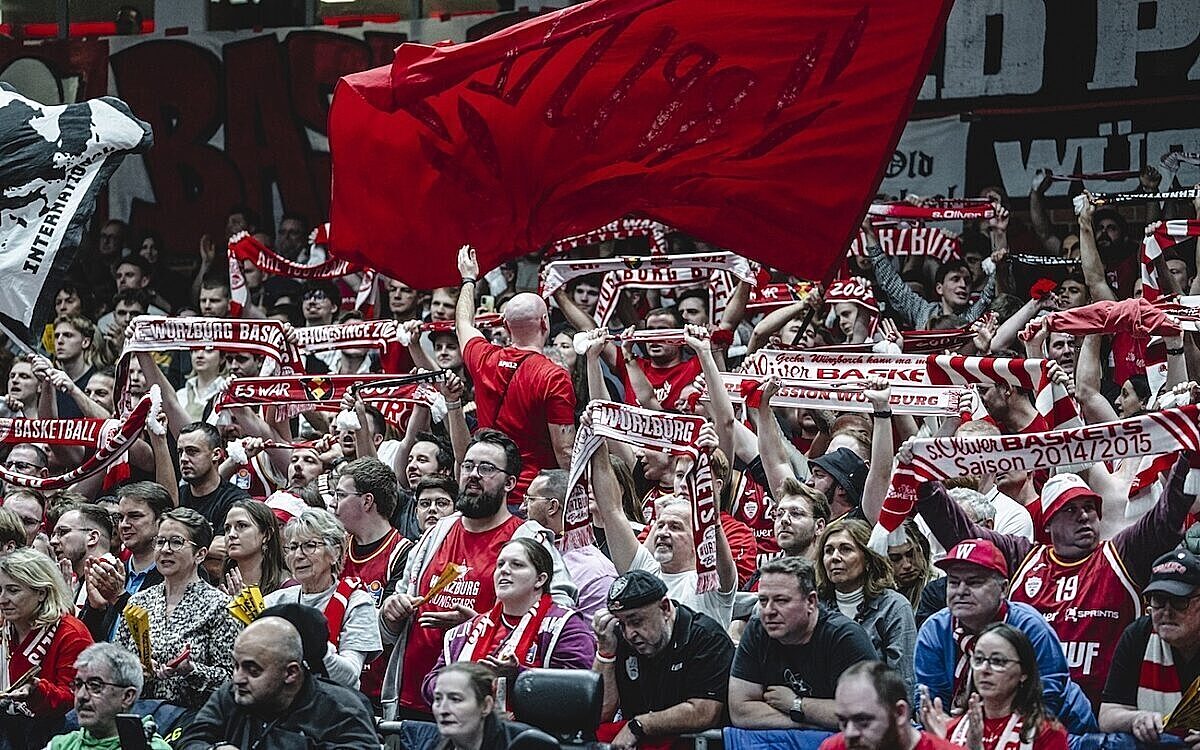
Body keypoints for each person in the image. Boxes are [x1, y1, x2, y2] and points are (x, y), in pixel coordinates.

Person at [917, 458, 1193, 707]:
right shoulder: (1022, 557)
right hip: (1031, 714)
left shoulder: (1122, 553)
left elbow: (1166, 517)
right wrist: (922, 478)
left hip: (1107, 713)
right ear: (1047, 522)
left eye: (1089, 508)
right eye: (1070, 509)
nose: (1083, 516)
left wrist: (1189, 458)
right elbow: (960, 533)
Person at [378, 429, 573, 720]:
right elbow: (394, 618)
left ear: (510, 483)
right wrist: (391, 613)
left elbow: (556, 620)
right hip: (414, 698)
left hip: (482, 709)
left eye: (486, 469)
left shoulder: (529, 539)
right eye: (468, 466)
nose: (473, 475)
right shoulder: (437, 532)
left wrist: (479, 628)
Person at [913, 539, 1096, 736]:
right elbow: (932, 702)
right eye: (954, 582)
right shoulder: (934, 630)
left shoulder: (1029, 626)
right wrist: (957, 734)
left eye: (974, 582)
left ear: (1004, 589)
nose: (961, 591)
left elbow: (1048, 697)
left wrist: (988, 735)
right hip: (963, 731)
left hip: (1057, 726)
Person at [456, 245, 576, 497]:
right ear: (545, 322)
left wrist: (468, 279)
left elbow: (462, 324)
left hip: (488, 491)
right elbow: (565, 452)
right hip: (533, 497)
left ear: (505, 324)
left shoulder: (484, 358)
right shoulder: (553, 376)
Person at [423, 538, 595, 703]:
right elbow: (430, 684)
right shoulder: (468, 630)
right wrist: (462, 683)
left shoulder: (566, 626)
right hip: (468, 722)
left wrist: (519, 675)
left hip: (532, 724)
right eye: (500, 564)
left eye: (517, 564)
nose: (504, 570)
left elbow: (577, 691)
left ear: (540, 579)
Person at [177, 617, 379, 750]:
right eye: (236, 666)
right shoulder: (230, 694)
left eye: (253, 670)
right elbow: (189, 740)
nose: (238, 678)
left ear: (291, 673)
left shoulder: (341, 711)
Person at [729, 556, 877, 731]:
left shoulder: (844, 637)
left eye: (781, 600)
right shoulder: (757, 629)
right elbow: (740, 711)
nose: (768, 611)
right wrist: (809, 721)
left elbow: (864, 713)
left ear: (811, 602)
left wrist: (796, 704)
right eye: (763, 601)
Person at [115, 508, 241, 711]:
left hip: (193, 717)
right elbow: (116, 663)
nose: (165, 549)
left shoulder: (219, 606)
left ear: (200, 554)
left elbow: (233, 680)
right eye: (160, 542)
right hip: (139, 713)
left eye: (176, 542)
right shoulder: (138, 601)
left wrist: (191, 670)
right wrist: (135, 669)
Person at [592, 570, 734, 748]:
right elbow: (598, 713)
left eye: (636, 621)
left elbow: (704, 712)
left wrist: (640, 725)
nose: (629, 634)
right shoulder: (618, 638)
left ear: (665, 608)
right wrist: (605, 652)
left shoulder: (706, 638)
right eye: (621, 624)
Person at [263, 509, 382, 690]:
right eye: (293, 547)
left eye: (309, 545)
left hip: (333, 702)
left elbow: (350, 676)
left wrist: (317, 646)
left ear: (335, 553)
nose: (298, 555)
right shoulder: (275, 602)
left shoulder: (357, 602)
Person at [1099, 548, 1200, 745]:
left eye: (1180, 601)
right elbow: (1107, 715)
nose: (1167, 612)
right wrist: (1135, 718)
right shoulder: (1138, 635)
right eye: (1159, 600)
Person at [0, 549, 93, 750]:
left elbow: (78, 700)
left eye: (13, 590)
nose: (2, 599)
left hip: (54, 736)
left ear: (41, 592)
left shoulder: (71, 633)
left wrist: (37, 692)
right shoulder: (4, 627)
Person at [921, 623, 1068, 750]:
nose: (984, 669)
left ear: (1024, 672)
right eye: (978, 659)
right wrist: (938, 743)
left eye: (998, 661)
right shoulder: (950, 730)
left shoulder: (1047, 734)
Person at [815, 518, 918, 692]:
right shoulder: (816, 605)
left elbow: (904, 682)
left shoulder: (894, 607)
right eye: (829, 551)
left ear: (869, 559)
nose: (835, 557)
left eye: (846, 549)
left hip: (878, 703)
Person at [79, 481, 173, 641]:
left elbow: (162, 637)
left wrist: (119, 597)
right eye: (121, 517)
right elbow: (86, 641)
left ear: (161, 520)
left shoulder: (175, 574)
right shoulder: (112, 572)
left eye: (135, 516)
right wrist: (95, 609)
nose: (123, 525)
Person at [521, 468, 617, 620]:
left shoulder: (595, 573)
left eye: (530, 499)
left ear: (552, 507)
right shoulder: (527, 548)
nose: (522, 507)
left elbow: (595, 634)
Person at [47, 642, 173, 750]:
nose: (81, 696)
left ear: (127, 697)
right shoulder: (60, 745)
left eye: (95, 686)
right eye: (78, 684)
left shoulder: (153, 748)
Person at [818, 661, 959, 750]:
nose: (849, 733)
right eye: (843, 721)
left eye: (863, 721)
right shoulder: (834, 747)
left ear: (900, 713)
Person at [432, 662, 534, 750]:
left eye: (455, 699)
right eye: (438, 699)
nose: (443, 710)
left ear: (486, 706)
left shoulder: (526, 743)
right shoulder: (432, 743)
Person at [175, 422, 251, 533]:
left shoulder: (236, 501)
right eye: (180, 452)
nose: (183, 459)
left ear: (216, 454)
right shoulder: (177, 496)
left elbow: (224, 543)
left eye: (192, 451)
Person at [221, 499, 287, 595]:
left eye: (242, 526)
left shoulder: (287, 589)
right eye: (227, 528)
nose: (231, 534)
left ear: (266, 534)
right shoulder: (221, 587)